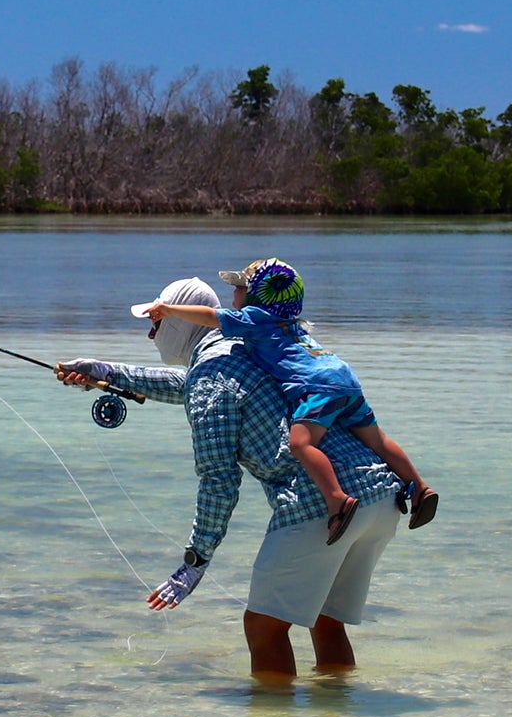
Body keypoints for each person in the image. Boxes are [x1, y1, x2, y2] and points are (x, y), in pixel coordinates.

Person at [55, 276, 404, 681]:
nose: (151, 334)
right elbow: (192, 385)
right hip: (378, 493)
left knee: (263, 627)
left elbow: (218, 480)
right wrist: (105, 371)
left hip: (321, 506)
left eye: (155, 323)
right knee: (325, 619)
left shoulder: (211, 378)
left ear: (181, 324)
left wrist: (196, 559)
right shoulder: (248, 344)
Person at [137, 258, 436, 543]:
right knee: (378, 440)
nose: (233, 293)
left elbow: (209, 317)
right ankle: (420, 487)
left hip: (317, 387)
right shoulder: (288, 321)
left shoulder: (255, 319)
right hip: (343, 375)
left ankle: (337, 500)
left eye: (240, 288)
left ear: (257, 297)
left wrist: (169, 310)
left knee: (301, 444)